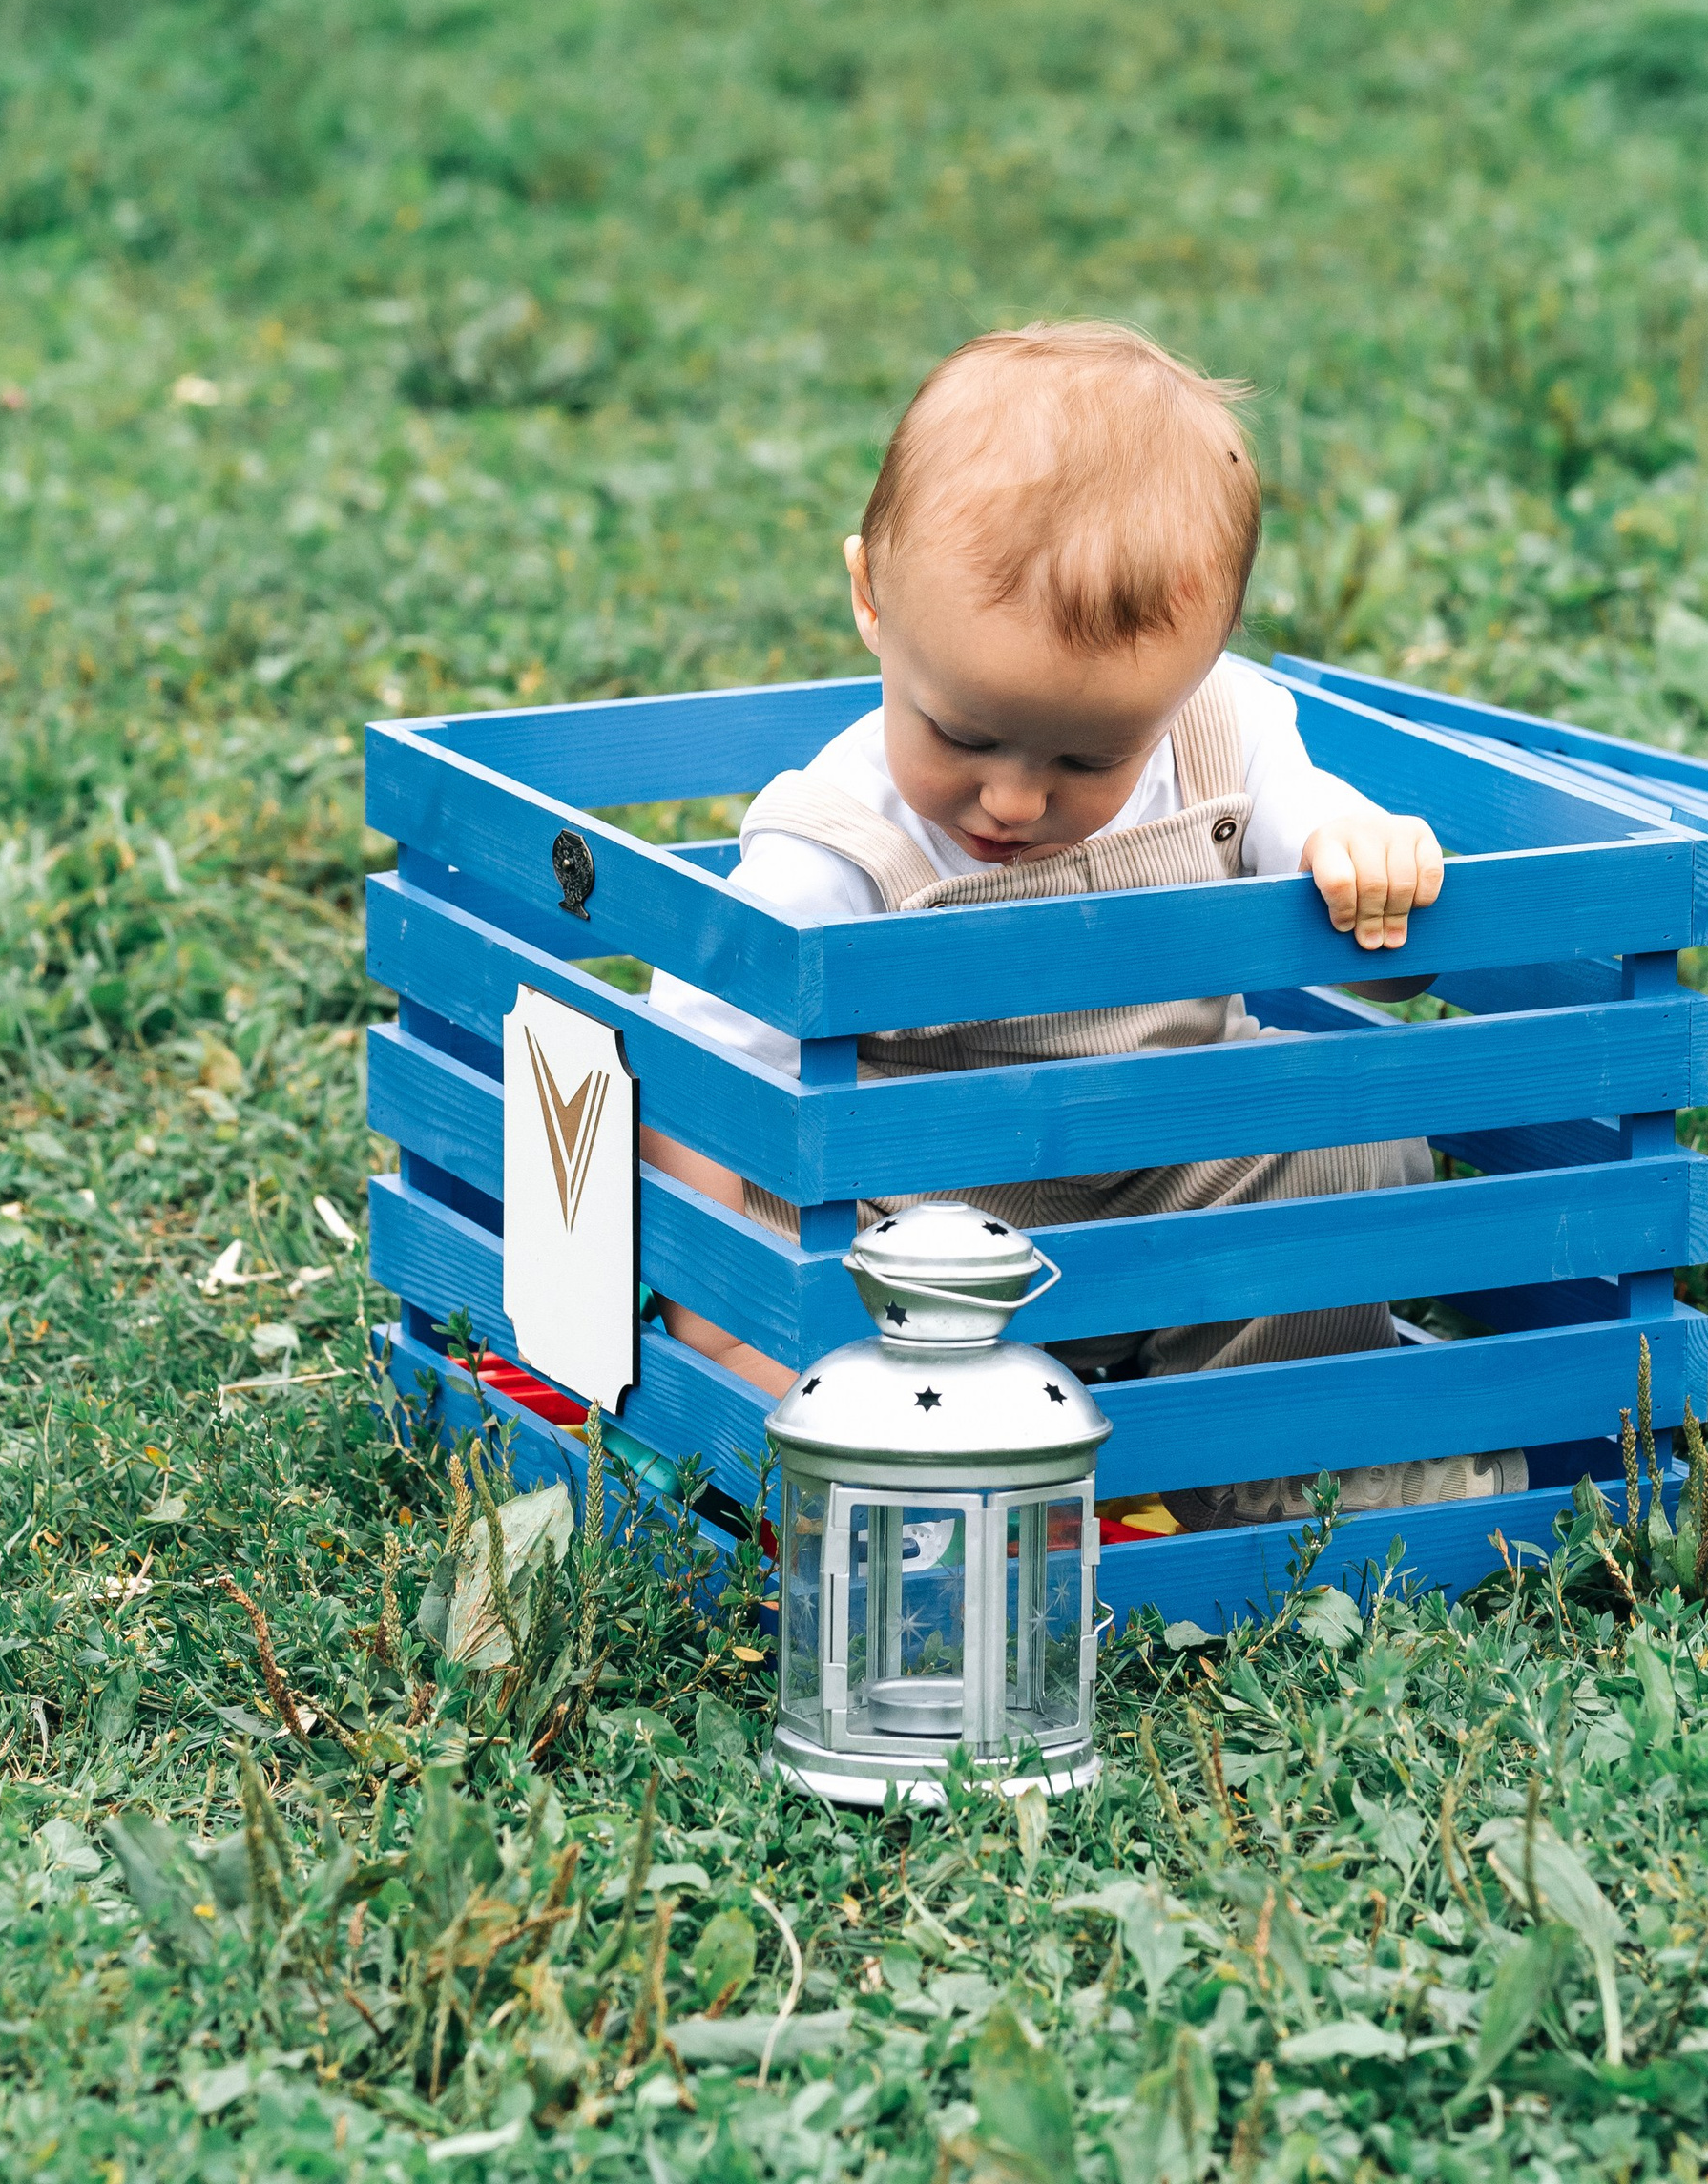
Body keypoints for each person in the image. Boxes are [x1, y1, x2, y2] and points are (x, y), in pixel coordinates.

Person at [645, 320, 1526, 1527]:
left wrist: (1355, 852)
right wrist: (723, 1327)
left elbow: (1357, 943)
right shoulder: (835, 844)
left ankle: (1262, 1453)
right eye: (958, 732)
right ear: (868, 599)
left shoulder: (1228, 732)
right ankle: (959, 1452)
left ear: (1198, 669)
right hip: (935, 1238)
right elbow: (706, 1069)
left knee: (1351, 1142)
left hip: (1166, 1170)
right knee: (818, 1233)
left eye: (1087, 755)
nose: (1011, 798)